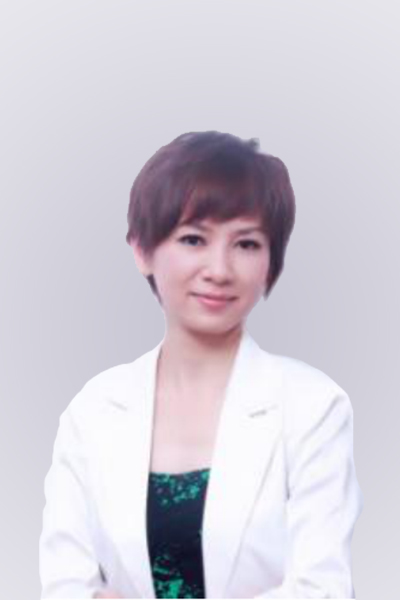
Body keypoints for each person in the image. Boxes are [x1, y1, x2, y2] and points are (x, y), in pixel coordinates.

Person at [39, 131, 363, 599]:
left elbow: (323, 589)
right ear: (142, 250)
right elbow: (65, 587)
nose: (219, 270)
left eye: (246, 244)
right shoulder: (93, 411)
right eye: (193, 239)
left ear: (271, 263)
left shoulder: (314, 408)